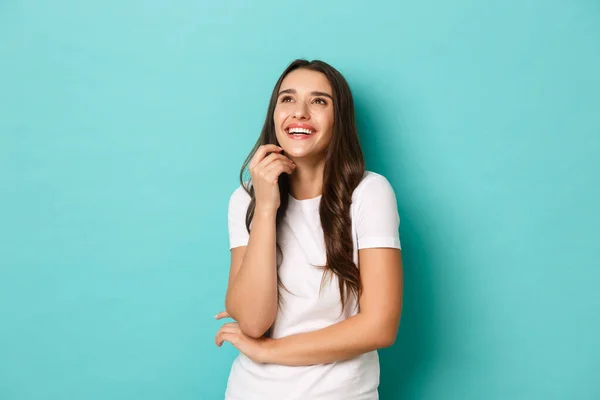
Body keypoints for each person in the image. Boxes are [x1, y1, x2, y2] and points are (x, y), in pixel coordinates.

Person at [214, 59, 403, 400]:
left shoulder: (368, 194)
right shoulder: (245, 200)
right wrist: (267, 208)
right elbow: (255, 322)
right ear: (274, 116)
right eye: (287, 99)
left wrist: (269, 351)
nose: (299, 112)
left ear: (338, 120)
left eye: (319, 101)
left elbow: (380, 326)